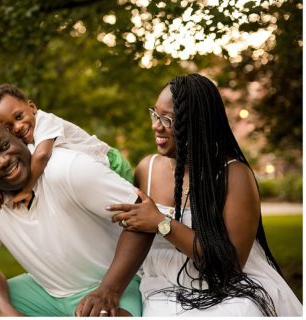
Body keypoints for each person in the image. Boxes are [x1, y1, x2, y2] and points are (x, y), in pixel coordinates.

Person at [109, 74, 301, 317]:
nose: (156, 126)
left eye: (168, 120)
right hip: (163, 286)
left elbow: (230, 266)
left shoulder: (234, 175)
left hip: (230, 288)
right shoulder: (146, 169)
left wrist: (162, 223)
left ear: (197, 125)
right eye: (155, 114)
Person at [0, 117, 152, 317]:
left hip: (117, 282)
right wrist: (6, 313)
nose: (3, 160)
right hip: (47, 292)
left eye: (4, 146)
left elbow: (142, 216)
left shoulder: (67, 168)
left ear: (15, 135)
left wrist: (109, 290)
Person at [0, 82, 133, 210]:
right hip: (90, 173)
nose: (18, 126)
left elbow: (42, 155)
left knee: (129, 208)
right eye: (8, 128)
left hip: (111, 163)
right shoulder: (21, 140)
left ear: (32, 107)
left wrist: (27, 189)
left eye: (19, 116)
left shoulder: (45, 121)